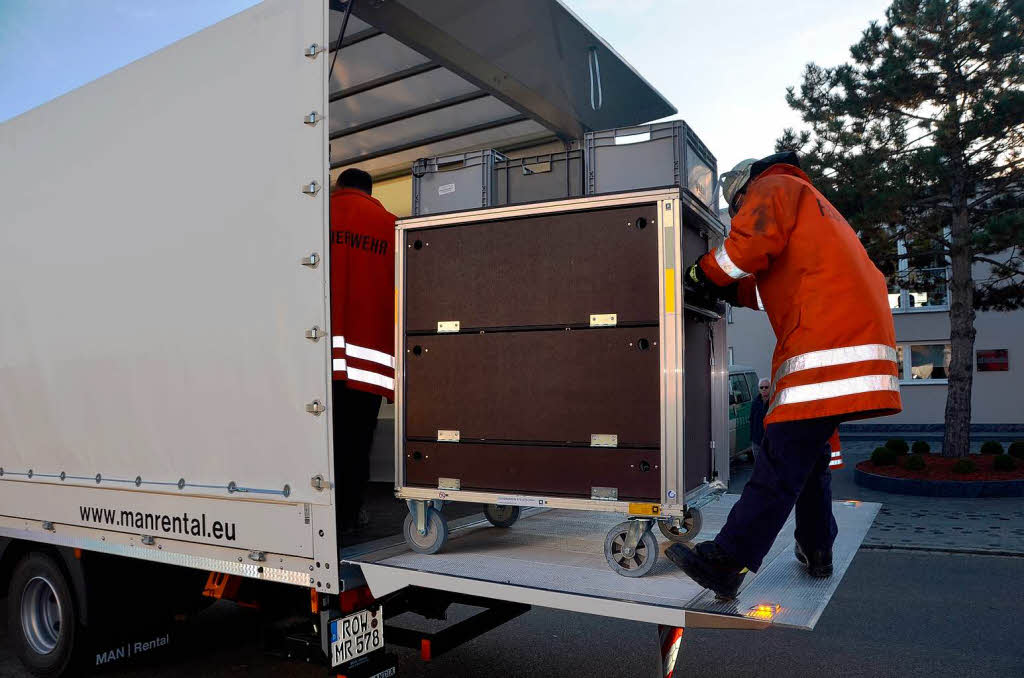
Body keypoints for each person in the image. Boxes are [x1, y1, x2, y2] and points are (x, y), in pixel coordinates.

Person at [667, 151, 901, 599]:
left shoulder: (774, 187)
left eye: (737, 208)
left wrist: (699, 273)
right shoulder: (813, 206)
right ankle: (817, 549)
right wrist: (727, 289)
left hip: (825, 345)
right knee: (808, 459)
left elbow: (745, 250)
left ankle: (728, 561)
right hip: (853, 343)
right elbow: (767, 283)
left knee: (779, 459)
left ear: (744, 189)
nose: (739, 214)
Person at [329, 168, 396, 534]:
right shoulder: (391, 225)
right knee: (357, 442)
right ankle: (349, 517)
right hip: (369, 365)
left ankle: (317, 516)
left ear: (340, 187)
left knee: (322, 441)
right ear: (371, 192)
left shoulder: (318, 216)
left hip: (318, 360)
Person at [749, 378, 770, 460]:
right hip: (757, 441)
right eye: (761, 387)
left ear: (770, 388)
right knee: (758, 465)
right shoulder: (755, 403)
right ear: (759, 389)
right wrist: (752, 439)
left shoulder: (774, 402)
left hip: (770, 440)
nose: (764, 389)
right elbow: (751, 420)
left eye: (766, 387)